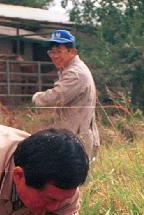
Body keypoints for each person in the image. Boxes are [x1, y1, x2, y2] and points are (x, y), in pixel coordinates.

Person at [32, 29, 100, 159]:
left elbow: (57, 96)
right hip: (73, 137)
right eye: (52, 52)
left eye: (59, 51)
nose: (54, 56)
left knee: (71, 177)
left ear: (72, 52)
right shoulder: (71, 69)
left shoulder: (75, 73)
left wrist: (36, 98)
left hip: (76, 140)